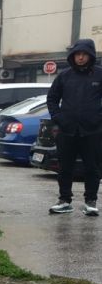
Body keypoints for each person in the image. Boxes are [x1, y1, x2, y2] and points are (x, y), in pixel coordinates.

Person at [47, 38, 102, 216]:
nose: (80, 58)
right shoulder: (64, 75)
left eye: (84, 54)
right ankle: (64, 201)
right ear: (73, 56)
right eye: (77, 54)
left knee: (92, 167)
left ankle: (91, 202)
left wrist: (98, 119)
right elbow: (52, 99)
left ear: (90, 56)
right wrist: (58, 118)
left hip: (92, 130)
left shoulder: (99, 75)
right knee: (65, 167)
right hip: (67, 130)